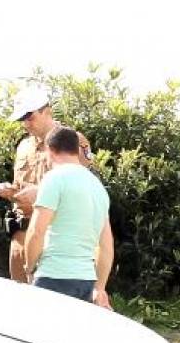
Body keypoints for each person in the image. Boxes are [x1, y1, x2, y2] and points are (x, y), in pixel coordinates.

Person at [0, 87, 94, 282]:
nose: (25, 123)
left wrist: (41, 193)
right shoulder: (24, 146)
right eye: (21, 119)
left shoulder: (72, 141)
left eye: (30, 117)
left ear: (46, 111)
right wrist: (10, 191)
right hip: (21, 236)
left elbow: (85, 187)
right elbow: (21, 185)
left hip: (55, 239)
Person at [23, 126, 113, 308]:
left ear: (50, 149)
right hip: (85, 281)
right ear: (75, 150)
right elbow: (106, 245)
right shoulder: (98, 187)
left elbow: (36, 231)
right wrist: (99, 287)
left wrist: (29, 267)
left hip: (53, 277)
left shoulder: (54, 179)